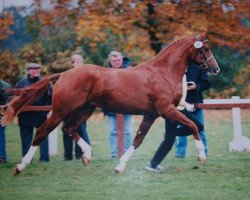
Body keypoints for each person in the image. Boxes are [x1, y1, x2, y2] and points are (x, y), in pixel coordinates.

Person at [146, 62, 210, 172]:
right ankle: (152, 165)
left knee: (197, 127)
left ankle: (153, 164)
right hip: (173, 110)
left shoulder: (184, 74)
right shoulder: (173, 74)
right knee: (170, 141)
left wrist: (188, 103)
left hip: (180, 109)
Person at [16, 63, 52, 162]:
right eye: (34, 69)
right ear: (28, 71)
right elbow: (16, 100)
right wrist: (19, 112)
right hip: (25, 116)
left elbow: (50, 98)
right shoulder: (21, 83)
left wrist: (45, 111)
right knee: (26, 139)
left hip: (41, 115)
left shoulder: (45, 82)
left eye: (38, 69)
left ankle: (44, 159)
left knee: (42, 137)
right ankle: (27, 159)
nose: (37, 71)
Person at [175, 62, 211, 158]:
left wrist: (196, 86)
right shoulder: (177, 65)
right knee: (181, 128)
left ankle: (204, 152)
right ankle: (180, 153)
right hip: (180, 103)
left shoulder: (199, 66)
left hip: (196, 102)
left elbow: (207, 83)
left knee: (200, 128)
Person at [62, 54, 91, 161]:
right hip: (68, 109)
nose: (79, 63)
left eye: (80, 61)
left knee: (81, 131)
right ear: (72, 64)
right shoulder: (67, 76)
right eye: (76, 61)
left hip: (82, 109)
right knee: (67, 131)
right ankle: (67, 155)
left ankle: (79, 154)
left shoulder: (87, 77)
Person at [105, 51, 132, 159]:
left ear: (122, 59)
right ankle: (114, 154)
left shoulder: (130, 71)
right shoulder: (106, 72)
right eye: (113, 60)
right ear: (110, 61)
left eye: (118, 60)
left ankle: (126, 153)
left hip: (127, 106)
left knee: (127, 131)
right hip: (111, 107)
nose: (116, 62)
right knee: (113, 131)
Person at [0, 80, 11, 164]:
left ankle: (2, 157)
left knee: (0, 135)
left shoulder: (5, 86)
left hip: (1, 115)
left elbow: (7, 103)